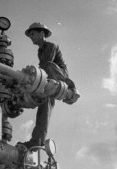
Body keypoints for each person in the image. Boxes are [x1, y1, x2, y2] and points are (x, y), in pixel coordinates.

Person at [19, 22, 77, 150]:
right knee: (44, 107)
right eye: (30, 36)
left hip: (58, 76)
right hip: (49, 80)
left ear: (42, 33)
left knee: (46, 67)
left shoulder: (51, 46)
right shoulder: (40, 51)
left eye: (33, 34)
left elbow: (46, 66)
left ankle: (71, 89)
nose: (31, 37)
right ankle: (37, 140)